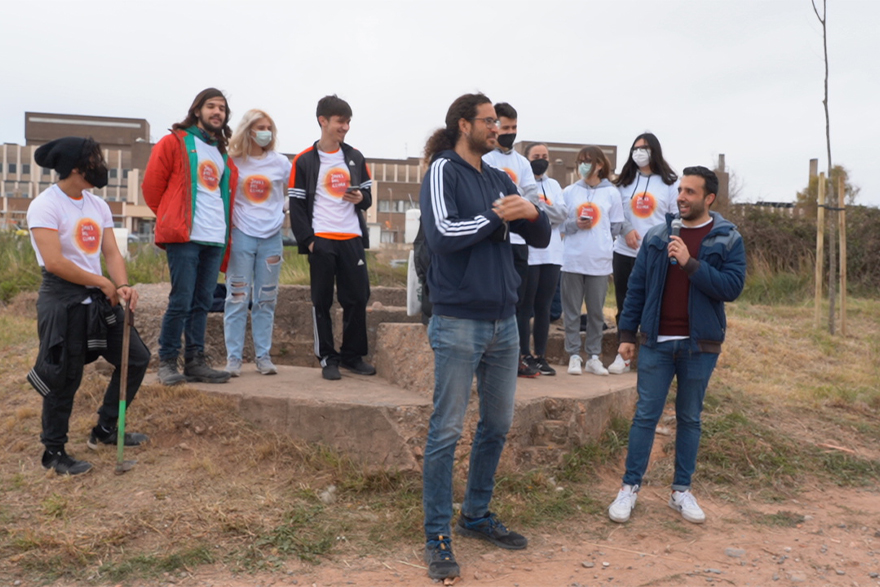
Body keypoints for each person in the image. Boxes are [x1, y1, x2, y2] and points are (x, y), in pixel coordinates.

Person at [419, 93, 551, 581]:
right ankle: (437, 534)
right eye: (489, 121)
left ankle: (474, 515)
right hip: (458, 320)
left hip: (504, 321)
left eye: (498, 122)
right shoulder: (442, 170)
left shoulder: (499, 177)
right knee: (446, 431)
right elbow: (442, 234)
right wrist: (499, 217)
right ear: (464, 124)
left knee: (496, 425)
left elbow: (540, 238)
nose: (497, 128)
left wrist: (531, 213)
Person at [607, 166, 745, 525]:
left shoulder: (727, 238)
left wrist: (690, 264)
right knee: (645, 416)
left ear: (709, 198)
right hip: (656, 342)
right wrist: (626, 335)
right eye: (680, 190)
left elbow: (731, 287)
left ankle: (681, 491)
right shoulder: (657, 235)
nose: (681, 197)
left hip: (700, 345)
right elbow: (637, 288)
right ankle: (629, 487)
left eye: (690, 192)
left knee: (689, 418)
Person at [27, 137, 151, 475]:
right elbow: (54, 262)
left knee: (136, 358)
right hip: (62, 299)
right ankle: (54, 451)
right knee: (64, 376)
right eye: (93, 159)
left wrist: (121, 285)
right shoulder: (45, 205)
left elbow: (111, 252)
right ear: (74, 167)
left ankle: (105, 429)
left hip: (98, 299)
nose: (100, 165)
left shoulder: (98, 205)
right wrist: (101, 282)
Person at [143, 87, 238, 386]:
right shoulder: (175, 142)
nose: (217, 112)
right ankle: (167, 361)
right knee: (181, 300)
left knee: (203, 302)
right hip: (185, 236)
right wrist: (171, 217)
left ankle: (196, 361)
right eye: (211, 106)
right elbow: (152, 188)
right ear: (197, 110)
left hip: (214, 236)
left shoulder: (221, 152)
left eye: (222, 108)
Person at [288, 95, 374, 381]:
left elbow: (368, 197)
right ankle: (327, 358)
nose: (345, 127)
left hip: (351, 238)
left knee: (357, 298)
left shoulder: (355, 156)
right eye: (340, 121)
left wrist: (361, 197)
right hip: (322, 239)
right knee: (322, 301)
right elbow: (297, 207)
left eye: (348, 122)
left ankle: (352, 356)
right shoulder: (304, 160)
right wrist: (310, 241)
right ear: (322, 121)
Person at [222, 109, 292, 377]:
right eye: (260, 127)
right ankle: (234, 359)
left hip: (271, 237)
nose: (266, 132)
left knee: (266, 298)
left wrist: (283, 208)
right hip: (241, 234)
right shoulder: (233, 161)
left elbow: (296, 191)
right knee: (237, 297)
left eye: (269, 128)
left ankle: (263, 356)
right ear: (248, 130)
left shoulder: (280, 163)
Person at [608, 133, 679, 374]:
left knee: (654, 303)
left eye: (645, 148)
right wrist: (626, 230)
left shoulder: (670, 183)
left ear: (655, 151)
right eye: (636, 148)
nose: (639, 153)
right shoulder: (623, 182)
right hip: (624, 251)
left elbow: (674, 218)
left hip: (655, 254)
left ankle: (651, 355)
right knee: (625, 303)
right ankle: (623, 356)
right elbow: (616, 213)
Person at [481, 102, 542, 378]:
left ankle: (516, 356)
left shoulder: (522, 163)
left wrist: (517, 208)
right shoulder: (486, 159)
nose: (510, 132)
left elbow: (531, 199)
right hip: (493, 240)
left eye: (514, 127)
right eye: (505, 127)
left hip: (519, 242)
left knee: (518, 304)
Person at [561, 146, 624, 376]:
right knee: (572, 311)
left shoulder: (612, 193)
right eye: (580, 161)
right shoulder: (569, 192)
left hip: (599, 261)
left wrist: (601, 237)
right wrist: (575, 224)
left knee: (596, 312)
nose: (583, 166)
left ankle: (594, 356)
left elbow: (616, 226)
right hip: (572, 259)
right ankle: (573, 355)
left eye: (588, 161)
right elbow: (560, 223)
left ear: (600, 165)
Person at [521, 143, 567, 375]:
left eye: (544, 156)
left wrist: (537, 210)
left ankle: (540, 355)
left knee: (544, 307)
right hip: (529, 254)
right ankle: (524, 355)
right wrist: (543, 212)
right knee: (525, 306)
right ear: (527, 159)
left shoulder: (554, 185)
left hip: (552, 254)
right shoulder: (522, 183)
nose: (541, 159)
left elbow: (563, 214)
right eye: (536, 156)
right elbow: (523, 212)